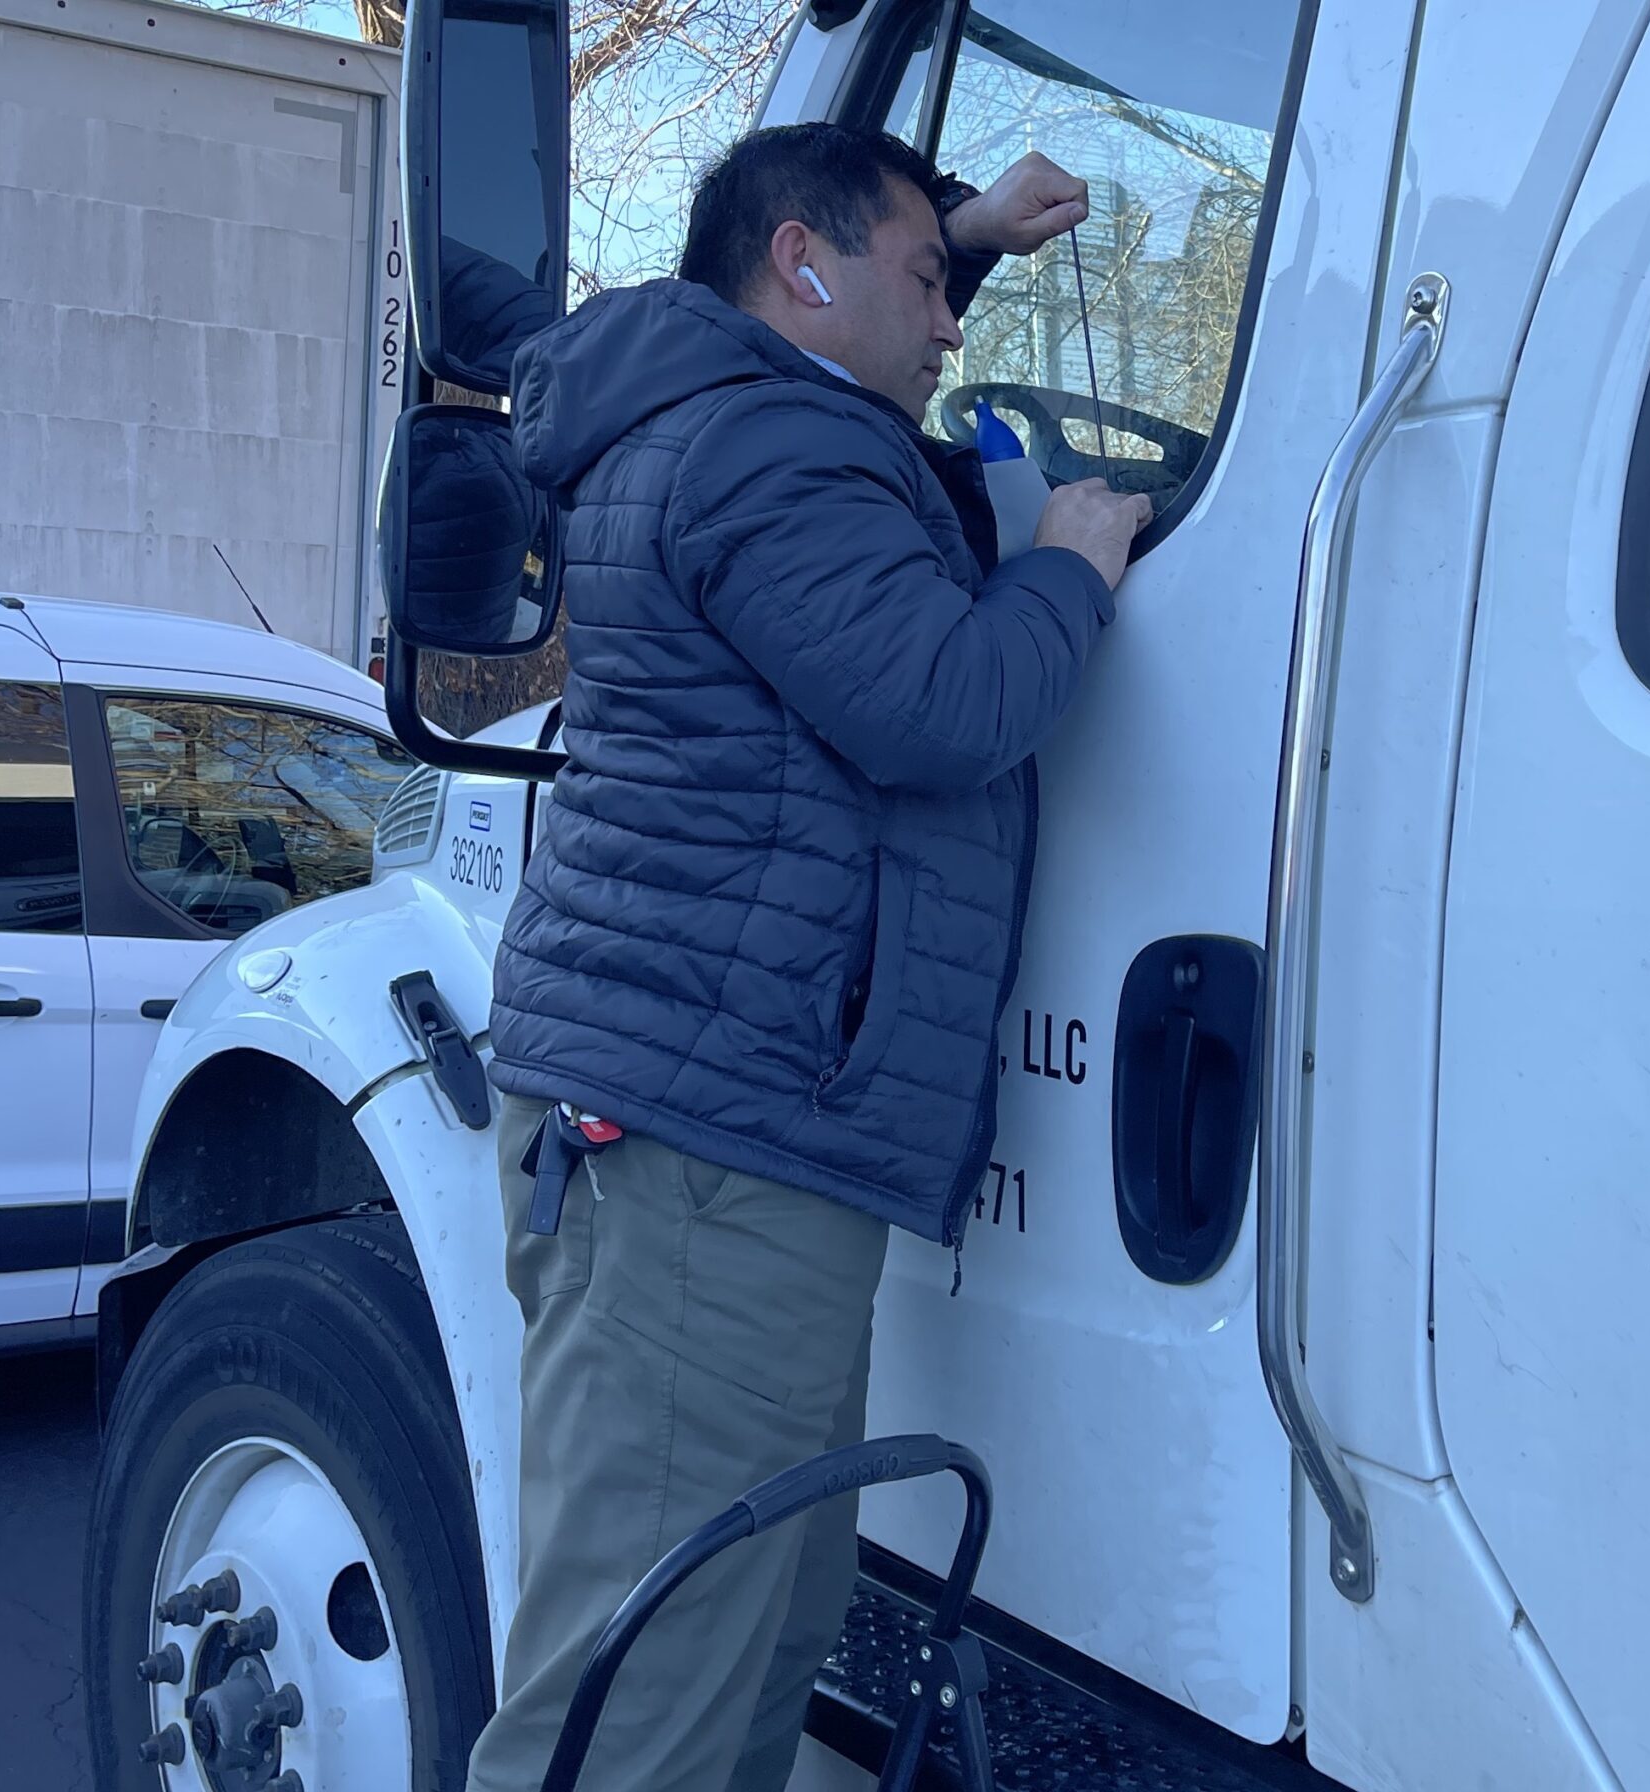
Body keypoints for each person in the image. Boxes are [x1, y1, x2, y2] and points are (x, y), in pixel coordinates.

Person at [462, 124, 1153, 1792]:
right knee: (645, 1703)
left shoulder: (729, 413)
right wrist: (1065, 563)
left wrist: (948, 235)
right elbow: (940, 704)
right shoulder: (772, 451)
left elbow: (855, 342)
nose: (952, 327)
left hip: (724, 1141)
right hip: (699, 1157)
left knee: (750, 1637)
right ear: (798, 267)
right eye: (928, 285)